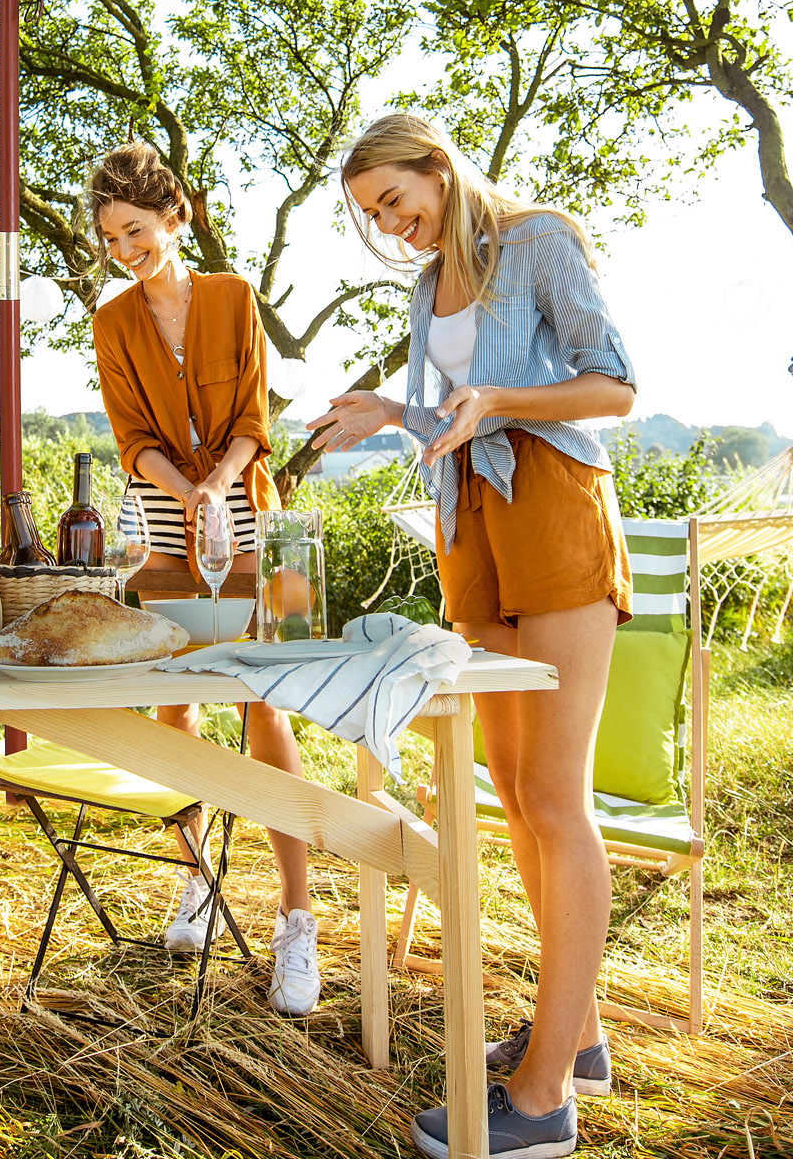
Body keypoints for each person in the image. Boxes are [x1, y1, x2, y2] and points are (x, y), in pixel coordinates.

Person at [311, 112, 635, 1159]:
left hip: (549, 502)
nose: (393, 229)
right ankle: (571, 1033)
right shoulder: (424, 286)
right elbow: (456, 415)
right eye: (372, 218)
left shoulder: (537, 237)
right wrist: (386, 412)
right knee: (510, 788)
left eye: (396, 203)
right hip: (472, 526)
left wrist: (493, 396)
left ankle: (541, 1105)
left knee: (553, 795)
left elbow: (613, 385)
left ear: (438, 170)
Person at [88, 141, 319, 1017]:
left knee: (264, 701)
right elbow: (130, 435)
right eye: (111, 236)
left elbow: (255, 418)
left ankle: (297, 917)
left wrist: (219, 489)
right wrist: (184, 495)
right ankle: (199, 883)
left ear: (176, 216)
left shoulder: (233, 297)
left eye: (137, 229)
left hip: (246, 511)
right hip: (160, 517)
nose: (125, 248)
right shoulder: (112, 322)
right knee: (174, 703)